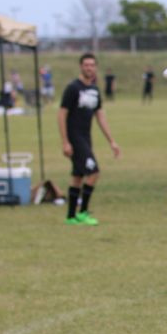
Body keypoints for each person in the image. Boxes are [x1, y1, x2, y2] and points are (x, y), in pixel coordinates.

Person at [57, 52, 121, 225]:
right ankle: (83, 212)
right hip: (75, 138)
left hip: (86, 137)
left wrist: (112, 141)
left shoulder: (95, 90)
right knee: (94, 173)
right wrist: (65, 142)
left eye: (92, 65)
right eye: (86, 65)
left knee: (78, 176)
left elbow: (100, 116)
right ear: (81, 67)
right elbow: (62, 114)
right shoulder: (73, 88)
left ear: (96, 68)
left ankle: (71, 217)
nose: (89, 68)